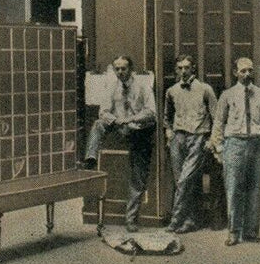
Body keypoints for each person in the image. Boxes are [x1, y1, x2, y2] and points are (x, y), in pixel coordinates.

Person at [82, 55, 157, 233]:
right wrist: (117, 120)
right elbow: (103, 112)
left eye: (124, 68)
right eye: (117, 69)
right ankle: (90, 156)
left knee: (137, 176)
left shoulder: (143, 86)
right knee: (98, 124)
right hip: (120, 126)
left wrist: (131, 119)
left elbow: (151, 112)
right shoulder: (112, 87)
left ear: (131, 69)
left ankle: (131, 219)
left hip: (140, 130)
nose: (120, 72)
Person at [210, 57, 260, 246]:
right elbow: (218, 123)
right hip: (234, 144)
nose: (247, 74)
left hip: (256, 145)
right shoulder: (227, 95)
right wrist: (220, 148)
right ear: (235, 73)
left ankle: (251, 232)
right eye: (243, 71)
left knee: (254, 189)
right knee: (233, 189)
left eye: (250, 70)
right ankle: (233, 232)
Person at [163, 54, 216, 234]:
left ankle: (175, 220)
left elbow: (217, 118)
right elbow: (166, 117)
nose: (183, 71)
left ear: (193, 68)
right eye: (180, 68)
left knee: (185, 180)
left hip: (198, 138)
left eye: (187, 67)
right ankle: (190, 220)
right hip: (178, 138)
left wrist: (211, 140)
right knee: (182, 181)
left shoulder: (205, 89)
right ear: (176, 70)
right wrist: (169, 132)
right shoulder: (171, 91)